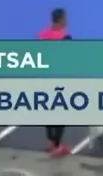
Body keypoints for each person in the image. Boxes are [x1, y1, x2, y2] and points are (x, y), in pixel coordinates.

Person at [38, 9, 70, 156]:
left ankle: (50, 141)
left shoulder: (42, 35)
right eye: (65, 18)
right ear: (61, 20)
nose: (67, 20)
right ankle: (57, 146)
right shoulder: (65, 37)